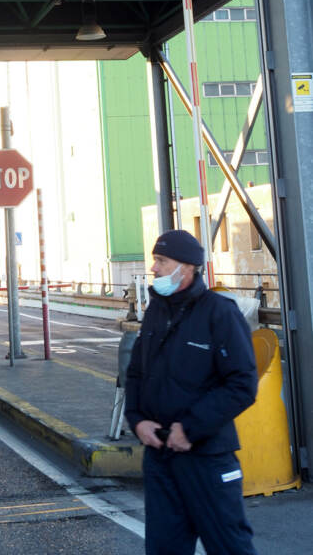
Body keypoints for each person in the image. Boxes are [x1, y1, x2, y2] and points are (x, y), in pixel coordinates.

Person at [125, 229, 259, 555]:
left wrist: (190, 428)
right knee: (164, 549)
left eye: (161, 260)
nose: (153, 267)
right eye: (155, 260)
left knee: (230, 547)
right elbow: (137, 372)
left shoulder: (219, 313)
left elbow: (242, 384)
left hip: (207, 459)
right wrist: (137, 420)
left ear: (185, 267)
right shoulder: (156, 311)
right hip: (160, 459)